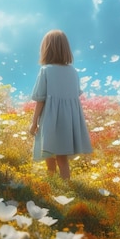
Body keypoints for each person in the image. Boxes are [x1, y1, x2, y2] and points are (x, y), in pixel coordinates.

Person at [29, 30, 92, 180]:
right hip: (68, 121)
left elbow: (40, 99)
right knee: (62, 158)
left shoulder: (45, 71)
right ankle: (66, 186)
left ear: (46, 49)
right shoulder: (73, 71)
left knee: (48, 153)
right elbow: (75, 95)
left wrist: (34, 122)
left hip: (50, 120)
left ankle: (53, 185)